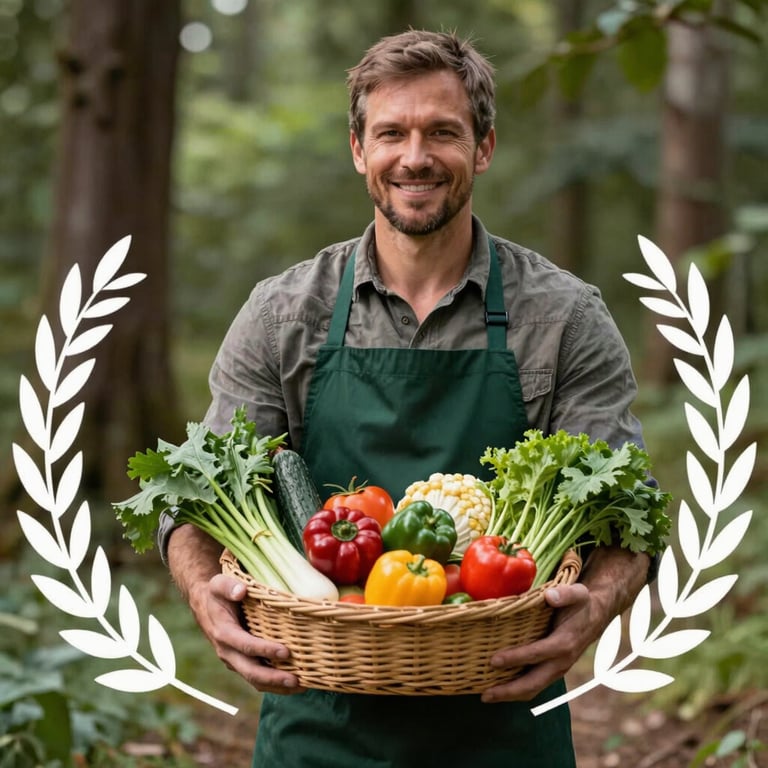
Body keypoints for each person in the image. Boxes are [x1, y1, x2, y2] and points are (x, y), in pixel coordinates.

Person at [163, 29, 653, 767]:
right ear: (359, 149)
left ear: (483, 148)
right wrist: (204, 593)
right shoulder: (282, 313)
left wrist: (598, 608)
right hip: (318, 721)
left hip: (504, 716)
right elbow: (196, 491)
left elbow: (629, 504)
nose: (414, 157)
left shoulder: (564, 316)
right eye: (391, 132)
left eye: (442, 132)